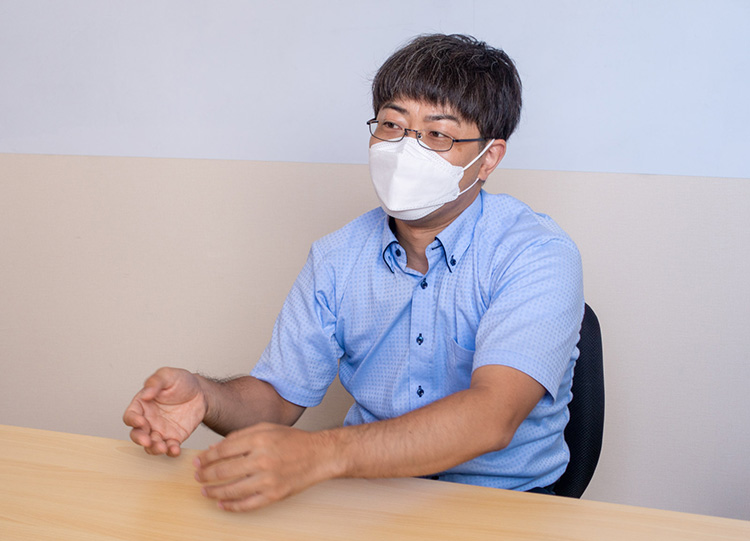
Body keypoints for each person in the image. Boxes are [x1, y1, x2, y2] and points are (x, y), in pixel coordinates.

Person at [124, 33, 584, 512]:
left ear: (488, 158)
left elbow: (492, 417)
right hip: (370, 498)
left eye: (438, 135)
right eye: (392, 125)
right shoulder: (337, 257)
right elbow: (277, 400)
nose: (406, 149)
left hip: (506, 507)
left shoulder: (535, 253)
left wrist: (321, 454)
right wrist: (206, 396)